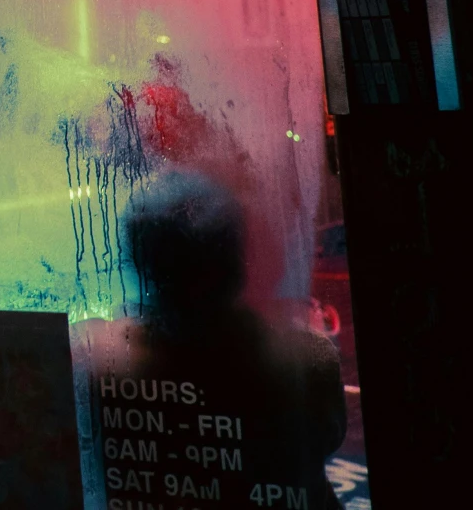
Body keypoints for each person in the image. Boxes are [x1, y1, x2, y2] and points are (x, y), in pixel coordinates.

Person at [75, 171, 345, 510]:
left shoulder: (92, 356)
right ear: (235, 263)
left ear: (140, 265)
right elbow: (325, 439)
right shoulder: (306, 360)